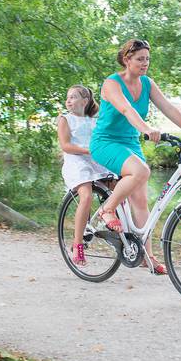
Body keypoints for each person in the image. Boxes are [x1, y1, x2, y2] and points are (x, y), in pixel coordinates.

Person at [90, 38, 181, 275]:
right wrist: (147, 130)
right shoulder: (112, 83)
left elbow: (168, 107)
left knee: (141, 202)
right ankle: (107, 209)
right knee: (141, 171)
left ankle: (146, 257)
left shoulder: (147, 84)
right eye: (140, 59)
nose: (145, 63)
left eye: (147, 59)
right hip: (106, 142)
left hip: (130, 144)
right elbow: (127, 109)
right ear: (127, 59)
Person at [57, 85, 114, 266]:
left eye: (73, 97)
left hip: (93, 160)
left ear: (85, 101)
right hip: (76, 161)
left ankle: (112, 221)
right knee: (86, 195)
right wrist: (88, 150)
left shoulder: (93, 121)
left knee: (118, 185)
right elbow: (65, 146)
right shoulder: (65, 119)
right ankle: (77, 244)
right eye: (68, 97)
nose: (69, 100)